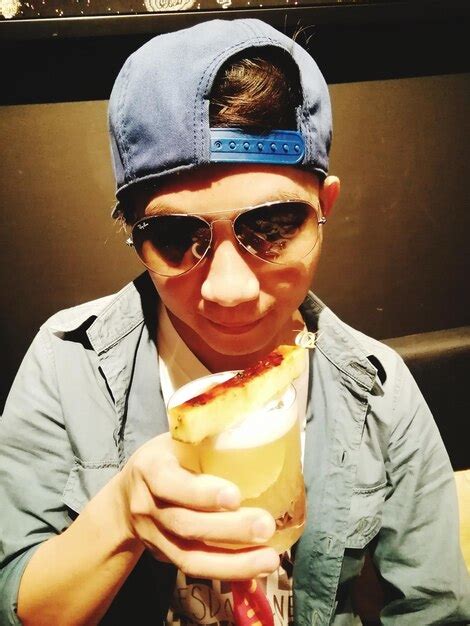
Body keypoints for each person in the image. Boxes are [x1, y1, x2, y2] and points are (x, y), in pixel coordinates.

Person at [0, 18, 469, 626]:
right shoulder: (66, 366)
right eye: (174, 236)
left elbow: (438, 611)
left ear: (323, 210)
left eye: (271, 227)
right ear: (132, 233)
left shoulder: (380, 391)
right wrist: (119, 519)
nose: (229, 290)